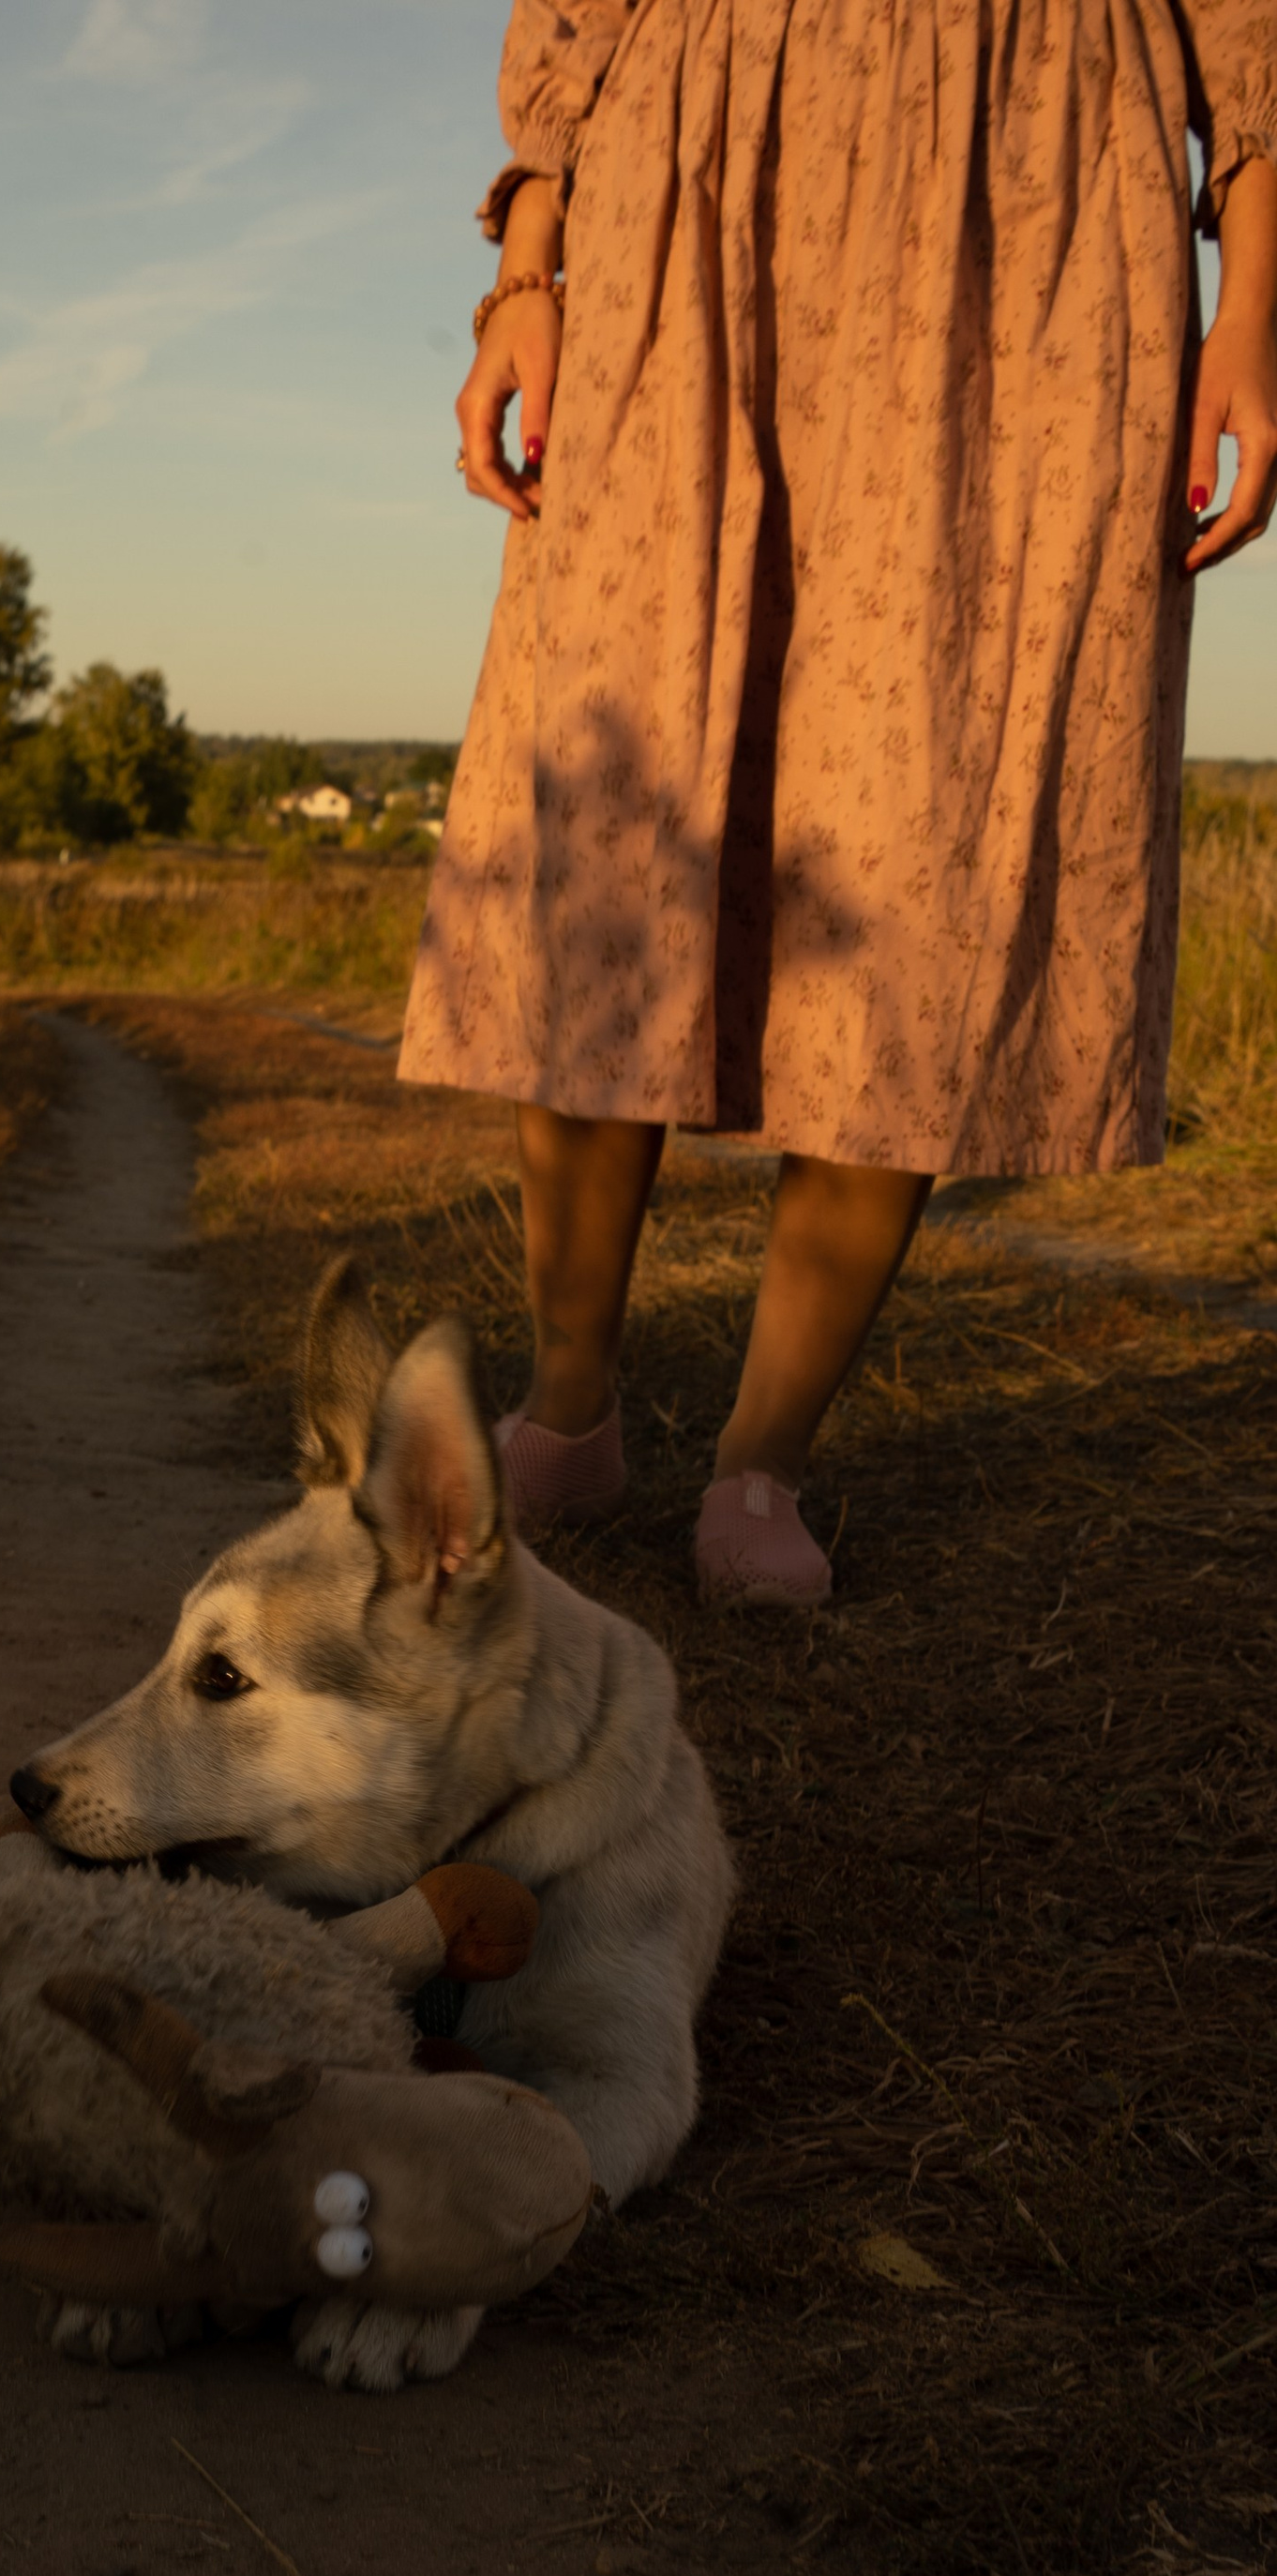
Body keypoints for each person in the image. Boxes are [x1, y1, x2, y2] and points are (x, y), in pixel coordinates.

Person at [403, 0, 1277, 1606]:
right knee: (626, 788)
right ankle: (571, 1401)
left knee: (929, 823)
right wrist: (527, 270)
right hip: (699, 163)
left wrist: (1253, 316)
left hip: (1039, 189)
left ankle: (763, 1462)